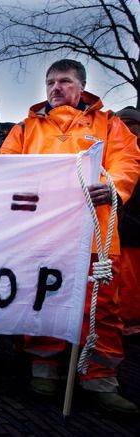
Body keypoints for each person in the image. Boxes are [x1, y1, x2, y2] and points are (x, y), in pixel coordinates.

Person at [0, 59, 140, 414]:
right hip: (42, 237)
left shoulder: (110, 125)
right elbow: (5, 167)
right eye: (50, 82)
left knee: (103, 309)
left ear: (81, 86)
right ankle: (44, 369)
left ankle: (100, 381)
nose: (56, 88)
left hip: (97, 235)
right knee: (43, 300)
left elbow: (128, 161)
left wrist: (114, 187)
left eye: (64, 81)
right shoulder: (25, 128)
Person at [115, 106, 140, 338]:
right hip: (119, 231)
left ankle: (132, 321)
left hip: (134, 230)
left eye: (132, 125)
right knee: (121, 281)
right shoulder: (113, 151)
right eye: (123, 124)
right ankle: (123, 320)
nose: (128, 130)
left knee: (133, 283)